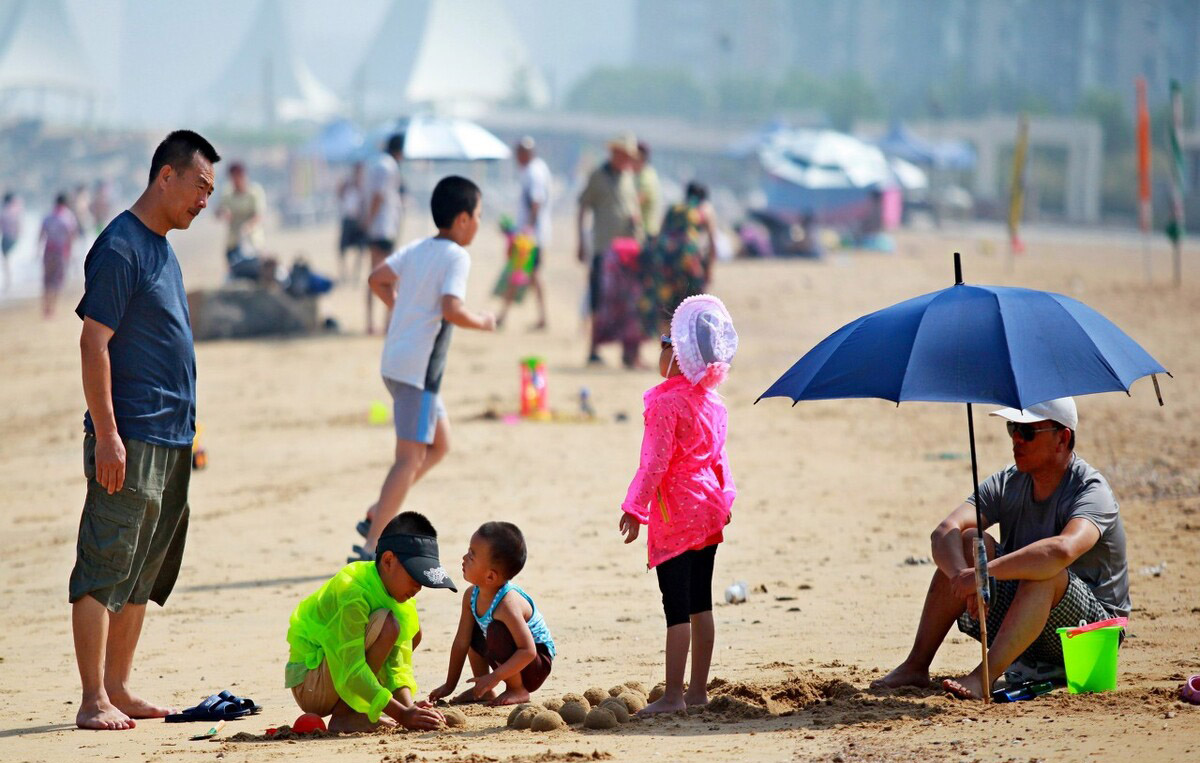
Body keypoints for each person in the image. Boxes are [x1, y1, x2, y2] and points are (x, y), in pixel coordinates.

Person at [71, 130, 219, 730]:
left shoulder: (161, 245)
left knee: (144, 569)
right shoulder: (121, 246)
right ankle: (91, 699)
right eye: (200, 186)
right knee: (105, 563)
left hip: (172, 437)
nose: (205, 200)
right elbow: (93, 342)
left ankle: (118, 686)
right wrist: (108, 434)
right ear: (166, 176)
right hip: (129, 436)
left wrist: (191, 429)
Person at [873, 397, 1130, 701]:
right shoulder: (1009, 481)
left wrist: (983, 573)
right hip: (1026, 621)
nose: (1016, 439)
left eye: (1028, 432)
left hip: (1091, 637)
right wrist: (961, 576)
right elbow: (944, 532)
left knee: (1045, 571)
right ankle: (916, 666)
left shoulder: (1091, 489)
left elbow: (1062, 551)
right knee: (969, 541)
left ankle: (984, 677)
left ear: (1063, 438)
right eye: (1012, 428)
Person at [354, 176, 495, 560]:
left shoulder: (419, 248)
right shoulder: (457, 256)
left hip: (402, 366)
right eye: (479, 215)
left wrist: (404, 311)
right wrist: (482, 321)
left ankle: (377, 510)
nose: (480, 224)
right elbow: (452, 308)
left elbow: (377, 279)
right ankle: (372, 545)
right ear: (463, 219)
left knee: (440, 444)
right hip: (417, 373)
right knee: (409, 457)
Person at [618, 295, 738, 714]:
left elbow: (654, 462)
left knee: (676, 607)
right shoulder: (713, 402)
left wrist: (635, 508)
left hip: (678, 515)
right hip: (709, 510)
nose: (661, 348)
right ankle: (698, 691)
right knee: (701, 600)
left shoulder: (665, 401)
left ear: (679, 353)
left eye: (666, 341)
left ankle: (673, 696)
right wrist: (726, 499)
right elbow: (721, 460)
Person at [287, 512, 452, 732]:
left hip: (339, 676)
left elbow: (397, 665)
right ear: (388, 561)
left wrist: (409, 707)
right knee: (389, 626)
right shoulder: (352, 590)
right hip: (312, 682)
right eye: (415, 576)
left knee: (413, 631)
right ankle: (345, 715)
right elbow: (352, 669)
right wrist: (402, 714)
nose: (418, 588)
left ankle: (358, 710)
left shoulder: (400, 598)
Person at [429, 521, 556, 707]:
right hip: (513, 658)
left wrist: (495, 676)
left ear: (490, 576)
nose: (464, 557)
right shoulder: (471, 595)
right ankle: (484, 690)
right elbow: (461, 642)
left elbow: (528, 651)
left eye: (472, 556)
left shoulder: (507, 605)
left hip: (536, 664)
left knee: (496, 631)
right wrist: (449, 685)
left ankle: (517, 689)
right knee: (473, 633)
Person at [577, 132, 642, 365]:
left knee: (627, 301)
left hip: (627, 252)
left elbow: (632, 209)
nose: (627, 159)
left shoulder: (628, 177)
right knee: (598, 299)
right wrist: (580, 242)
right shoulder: (597, 177)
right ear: (615, 153)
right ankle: (593, 349)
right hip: (603, 249)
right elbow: (583, 206)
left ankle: (629, 353)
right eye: (624, 154)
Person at [638, 181, 719, 336]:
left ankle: (668, 348)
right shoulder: (704, 210)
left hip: (668, 266)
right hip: (690, 265)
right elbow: (712, 243)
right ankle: (689, 347)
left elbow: (660, 235)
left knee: (670, 308)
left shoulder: (674, 209)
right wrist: (709, 270)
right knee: (694, 308)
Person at [497, 136, 550, 330]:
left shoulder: (533, 172)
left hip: (530, 238)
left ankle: (503, 316)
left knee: (519, 272)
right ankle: (541, 317)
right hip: (533, 234)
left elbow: (536, 202)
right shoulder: (536, 169)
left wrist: (527, 230)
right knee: (531, 275)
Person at [364, 133, 406, 335]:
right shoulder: (387, 166)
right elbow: (378, 196)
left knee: (375, 275)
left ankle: (372, 322)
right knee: (386, 276)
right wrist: (370, 221)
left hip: (379, 226)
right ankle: (387, 322)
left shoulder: (377, 163)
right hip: (383, 227)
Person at [215, 162, 266, 266]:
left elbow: (259, 215)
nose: (236, 181)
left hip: (253, 241)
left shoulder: (254, 192)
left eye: (238, 177)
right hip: (233, 242)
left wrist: (247, 227)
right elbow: (218, 211)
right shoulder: (227, 194)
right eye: (233, 177)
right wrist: (223, 213)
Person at [39, 193, 79, 318]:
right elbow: (72, 235)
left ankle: (46, 307)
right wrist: (71, 251)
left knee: (47, 280)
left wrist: (36, 249)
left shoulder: (48, 216)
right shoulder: (68, 217)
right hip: (61, 252)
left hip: (48, 250)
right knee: (57, 280)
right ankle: (52, 308)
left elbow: (41, 233)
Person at [337, 161, 368, 283]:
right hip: (348, 219)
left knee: (360, 250)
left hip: (358, 221)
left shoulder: (364, 186)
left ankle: (356, 275)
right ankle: (344, 273)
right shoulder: (347, 184)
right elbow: (340, 195)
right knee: (342, 249)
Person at [634, 141, 663, 239]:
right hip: (644, 232)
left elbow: (634, 203)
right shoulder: (643, 173)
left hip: (646, 233)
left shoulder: (646, 178)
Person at [1, 191, 23, 291]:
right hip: (15, 238)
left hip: (6, 239)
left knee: (6, 260)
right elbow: (20, 226)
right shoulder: (16, 210)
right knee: (8, 259)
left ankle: (8, 281)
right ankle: (10, 280)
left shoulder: (4, 211)